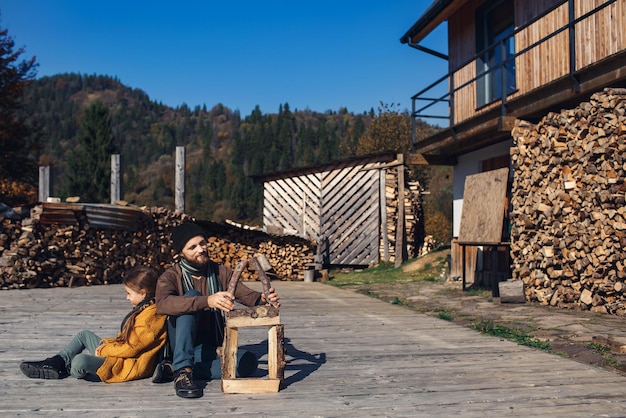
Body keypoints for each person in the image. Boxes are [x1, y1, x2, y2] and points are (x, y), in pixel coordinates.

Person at [154, 222, 280, 399]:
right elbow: (163, 304)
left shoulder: (221, 272)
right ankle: (182, 370)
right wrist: (207, 300)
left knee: (247, 363)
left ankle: (177, 368)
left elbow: (247, 296)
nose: (201, 249)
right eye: (193, 247)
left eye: (202, 243)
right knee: (191, 296)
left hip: (211, 347)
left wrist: (263, 299)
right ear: (181, 253)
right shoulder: (171, 276)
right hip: (182, 344)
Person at [20, 266, 167, 383]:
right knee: (84, 335)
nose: (126, 297)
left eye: (129, 293)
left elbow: (132, 349)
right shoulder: (143, 309)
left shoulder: (150, 317)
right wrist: (107, 345)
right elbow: (125, 341)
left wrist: (104, 350)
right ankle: (57, 362)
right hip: (120, 355)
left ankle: (68, 368)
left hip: (127, 365)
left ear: (143, 293)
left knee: (79, 360)